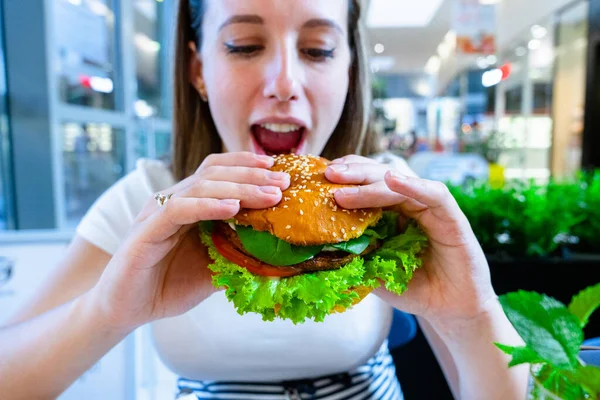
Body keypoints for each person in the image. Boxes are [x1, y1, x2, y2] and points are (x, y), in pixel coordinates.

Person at [0, 1, 529, 399]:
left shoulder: (396, 199)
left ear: (349, 69)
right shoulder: (148, 201)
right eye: (245, 46)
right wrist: (107, 313)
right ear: (198, 70)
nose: (284, 83)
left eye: (318, 50)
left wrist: (473, 317)